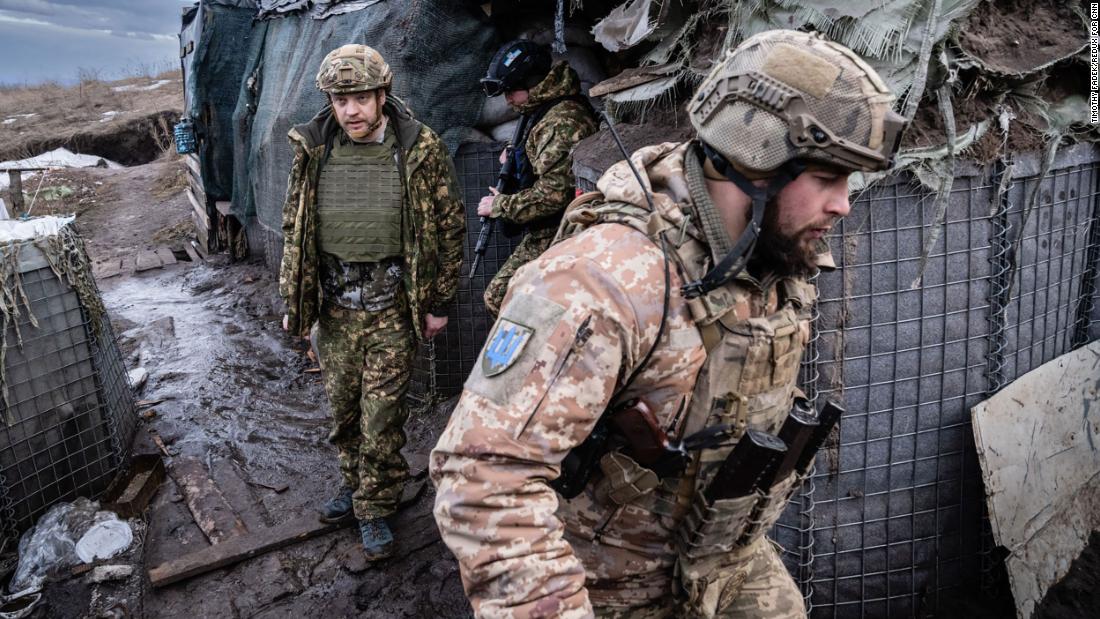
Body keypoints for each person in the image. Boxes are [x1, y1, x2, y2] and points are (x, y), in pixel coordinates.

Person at [431, 30, 906, 617]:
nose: (843, 206)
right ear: (755, 160)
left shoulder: (768, 252)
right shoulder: (608, 279)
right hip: (611, 588)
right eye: (828, 179)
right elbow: (482, 479)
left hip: (725, 565)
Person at [279, 44, 464, 560]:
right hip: (335, 309)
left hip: (392, 309)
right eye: (340, 99)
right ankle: (355, 484)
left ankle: (376, 507)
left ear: (383, 94)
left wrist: (440, 300)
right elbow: (295, 225)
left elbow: (450, 228)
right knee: (343, 413)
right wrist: (294, 297)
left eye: (360, 97)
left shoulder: (420, 148)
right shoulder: (314, 149)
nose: (350, 110)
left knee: (382, 416)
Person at [476, 40, 598, 316]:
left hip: (562, 230)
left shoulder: (560, 120)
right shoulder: (542, 111)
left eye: (511, 91)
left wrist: (501, 206)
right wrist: (518, 156)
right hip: (552, 228)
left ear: (530, 83)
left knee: (502, 297)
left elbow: (554, 194)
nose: (507, 99)